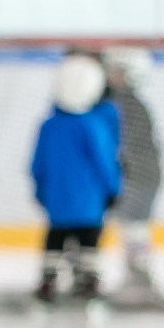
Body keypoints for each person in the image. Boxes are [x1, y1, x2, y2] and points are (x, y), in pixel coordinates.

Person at [30, 52, 120, 304]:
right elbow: (105, 164)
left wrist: (40, 190)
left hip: (57, 202)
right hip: (89, 203)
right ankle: (88, 280)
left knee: (55, 240)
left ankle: (48, 280)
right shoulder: (93, 125)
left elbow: (38, 164)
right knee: (89, 241)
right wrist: (114, 189)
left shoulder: (49, 125)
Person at [102, 46, 163, 305]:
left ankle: (140, 279)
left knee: (134, 229)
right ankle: (137, 277)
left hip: (139, 178)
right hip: (137, 176)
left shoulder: (125, 104)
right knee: (132, 229)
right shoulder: (120, 101)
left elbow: (122, 147)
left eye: (116, 70)